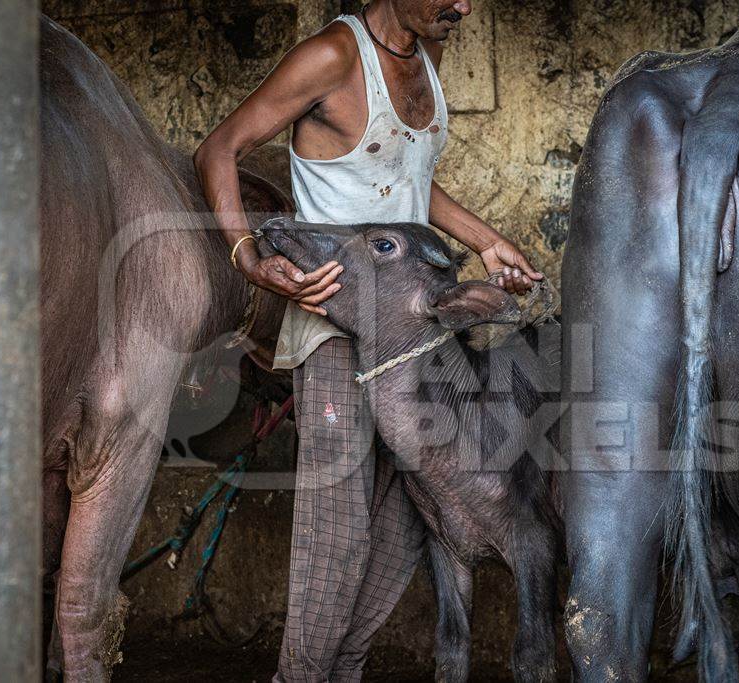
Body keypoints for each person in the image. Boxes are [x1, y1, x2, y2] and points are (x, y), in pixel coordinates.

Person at [194, 1, 543, 679]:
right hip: (335, 319)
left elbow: (411, 177)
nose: (463, 6)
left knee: (411, 520)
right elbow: (220, 149)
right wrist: (247, 258)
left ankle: (343, 669)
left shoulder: (427, 49)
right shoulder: (330, 58)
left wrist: (486, 240)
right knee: (337, 533)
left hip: (413, 335)